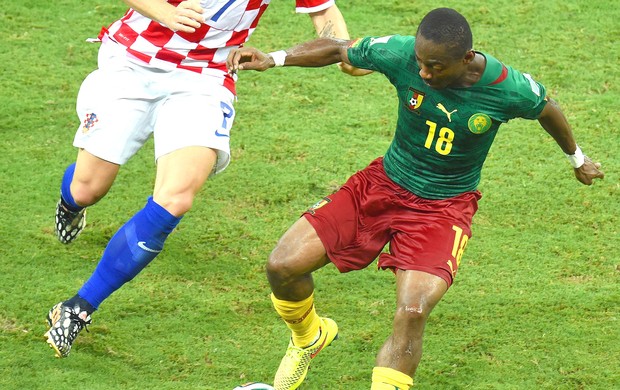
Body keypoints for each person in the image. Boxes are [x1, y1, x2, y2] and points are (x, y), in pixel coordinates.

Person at [226, 7, 605, 390]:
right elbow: (339, 49)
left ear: (467, 59)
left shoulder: (507, 88)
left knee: (412, 310)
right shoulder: (403, 53)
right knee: (282, 265)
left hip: (443, 209)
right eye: (421, 64)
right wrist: (273, 59)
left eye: (436, 67)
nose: (424, 74)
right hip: (382, 185)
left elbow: (547, 109)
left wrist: (578, 159)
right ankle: (309, 337)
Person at [45, 0, 368, 359]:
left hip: (207, 76)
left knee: (176, 197)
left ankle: (79, 306)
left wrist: (345, 50)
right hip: (133, 60)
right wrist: (164, 12)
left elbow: (323, 11)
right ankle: (71, 203)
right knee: (87, 188)